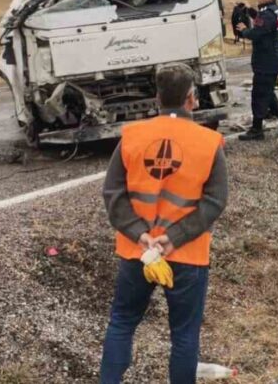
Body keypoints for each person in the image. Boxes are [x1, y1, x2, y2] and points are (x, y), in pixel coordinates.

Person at [99, 63, 228, 384]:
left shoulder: (132, 136)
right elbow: (214, 201)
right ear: (191, 98)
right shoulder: (209, 142)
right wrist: (174, 237)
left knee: (122, 323)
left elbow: (113, 192)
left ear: (157, 98)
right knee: (184, 334)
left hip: (137, 252)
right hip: (188, 255)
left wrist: (140, 235)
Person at [234, 0, 278, 140]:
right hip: (270, 59)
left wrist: (244, 30)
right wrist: (250, 10)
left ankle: (257, 129)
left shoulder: (268, 14)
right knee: (267, 94)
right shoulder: (274, 10)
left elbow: (257, 33)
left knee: (259, 95)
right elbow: (262, 22)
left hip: (266, 60)